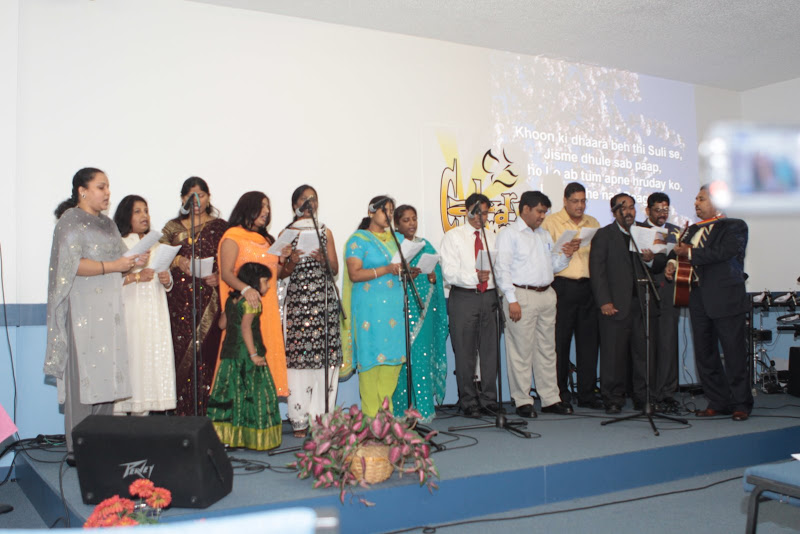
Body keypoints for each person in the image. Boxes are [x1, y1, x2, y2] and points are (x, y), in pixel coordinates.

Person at [44, 168, 148, 456]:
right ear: (83, 191)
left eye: (108, 187)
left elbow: (120, 261)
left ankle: (101, 444)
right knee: (83, 383)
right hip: (81, 312)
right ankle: (79, 449)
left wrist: (134, 261)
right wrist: (114, 266)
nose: (107, 193)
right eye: (101, 187)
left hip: (109, 311)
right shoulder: (70, 221)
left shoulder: (108, 225)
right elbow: (71, 264)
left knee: (108, 379)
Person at [666, 185, 752, 421]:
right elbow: (676, 253)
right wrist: (672, 263)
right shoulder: (692, 229)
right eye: (695, 198)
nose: (696, 203)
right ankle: (718, 401)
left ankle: (741, 403)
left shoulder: (734, 226)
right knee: (705, 353)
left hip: (726, 298)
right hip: (697, 297)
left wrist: (689, 253)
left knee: (733, 353)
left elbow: (724, 252)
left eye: (701, 199)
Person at [495, 191, 576, 418]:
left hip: (546, 294)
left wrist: (566, 255)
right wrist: (511, 299)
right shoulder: (509, 234)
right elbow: (502, 269)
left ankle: (550, 398)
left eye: (545, 212)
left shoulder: (543, 234)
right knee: (520, 351)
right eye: (539, 211)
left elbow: (553, 266)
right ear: (525, 209)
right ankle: (522, 400)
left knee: (547, 350)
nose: (542, 216)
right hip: (521, 295)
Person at [590, 193, 665, 414]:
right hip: (615, 304)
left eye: (632, 207)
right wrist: (604, 301)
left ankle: (644, 397)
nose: (629, 211)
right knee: (614, 355)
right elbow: (597, 271)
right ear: (614, 212)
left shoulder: (645, 231)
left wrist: (651, 259)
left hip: (643, 302)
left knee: (644, 354)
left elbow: (660, 261)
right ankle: (613, 398)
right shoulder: (604, 235)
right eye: (623, 208)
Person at [160, 177, 228, 416]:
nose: (197, 200)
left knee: (209, 354)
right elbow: (158, 254)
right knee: (181, 355)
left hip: (212, 301)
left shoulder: (221, 227)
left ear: (209, 198)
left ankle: (211, 414)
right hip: (179, 303)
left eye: (202, 195)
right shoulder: (172, 227)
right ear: (183, 199)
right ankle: (183, 414)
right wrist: (178, 260)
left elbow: (231, 259)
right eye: (191, 195)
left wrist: (220, 276)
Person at [280, 185, 342, 437]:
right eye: (304, 199)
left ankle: (321, 420)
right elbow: (279, 272)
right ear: (295, 204)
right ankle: (299, 420)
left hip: (324, 304)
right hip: (298, 306)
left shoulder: (325, 231)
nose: (309, 203)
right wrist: (291, 261)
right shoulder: (286, 233)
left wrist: (323, 260)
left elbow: (335, 269)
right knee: (298, 362)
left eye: (313, 199)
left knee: (324, 362)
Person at [218, 192, 290, 399]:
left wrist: (283, 259)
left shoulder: (267, 241)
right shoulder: (232, 236)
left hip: (268, 310)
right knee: (246, 356)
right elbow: (226, 273)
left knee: (266, 355)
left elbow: (274, 275)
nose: (266, 211)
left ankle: (261, 406)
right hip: (245, 307)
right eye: (262, 206)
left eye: (268, 207)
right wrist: (246, 290)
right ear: (248, 208)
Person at [341, 196, 405, 417]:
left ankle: (386, 417)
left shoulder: (397, 239)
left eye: (391, 210)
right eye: (384, 210)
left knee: (392, 361)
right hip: (369, 310)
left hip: (394, 309)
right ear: (371, 212)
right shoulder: (358, 240)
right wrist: (386, 269)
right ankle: (370, 418)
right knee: (371, 361)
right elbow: (354, 274)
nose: (389, 215)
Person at [112, 195, 177, 415]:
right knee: (132, 359)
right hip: (130, 310)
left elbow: (163, 276)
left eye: (146, 211)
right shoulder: (118, 242)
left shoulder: (156, 245)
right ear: (126, 215)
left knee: (150, 360)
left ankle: (143, 417)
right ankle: (120, 416)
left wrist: (167, 280)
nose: (144, 216)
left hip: (154, 311)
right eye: (137, 211)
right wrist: (136, 276)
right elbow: (110, 280)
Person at [207, 262, 282, 450]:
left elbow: (222, 325)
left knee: (230, 394)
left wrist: (230, 312)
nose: (268, 286)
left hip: (230, 354)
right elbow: (246, 328)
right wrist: (254, 354)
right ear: (254, 282)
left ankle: (227, 437)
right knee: (256, 394)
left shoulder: (232, 300)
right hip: (247, 356)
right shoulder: (252, 303)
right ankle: (254, 438)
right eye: (265, 281)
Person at [541, 182, 603, 409]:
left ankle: (587, 393)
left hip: (588, 288)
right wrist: (563, 251)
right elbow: (544, 255)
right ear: (565, 201)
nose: (580, 205)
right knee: (560, 342)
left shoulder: (593, 223)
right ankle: (560, 393)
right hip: (562, 286)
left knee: (589, 343)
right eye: (575, 201)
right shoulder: (551, 222)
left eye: (583, 201)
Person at [440, 193, 499, 417]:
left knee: (490, 351)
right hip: (464, 297)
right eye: (475, 212)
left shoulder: (492, 237)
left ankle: (489, 399)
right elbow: (449, 273)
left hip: (489, 297)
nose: (479, 217)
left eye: (484, 213)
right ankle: (469, 400)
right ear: (467, 211)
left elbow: (500, 269)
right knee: (465, 353)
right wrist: (475, 277)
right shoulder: (453, 237)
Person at [390, 205, 448, 423]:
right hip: (402, 312)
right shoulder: (393, 247)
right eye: (406, 220)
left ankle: (423, 410)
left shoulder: (425, 245)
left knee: (421, 358)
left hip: (424, 311)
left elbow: (435, 274)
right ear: (396, 224)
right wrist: (407, 276)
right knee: (403, 361)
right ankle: (400, 411)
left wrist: (432, 277)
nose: (412, 223)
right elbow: (388, 280)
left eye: (414, 219)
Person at [640, 192, 682, 413]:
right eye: (657, 210)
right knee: (648, 344)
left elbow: (681, 257)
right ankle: (648, 393)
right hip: (645, 292)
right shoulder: (638, 230)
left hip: (668, 293)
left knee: (668, 342)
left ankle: (667, 392)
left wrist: (673, 262)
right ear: (648, 210)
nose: (662, 214)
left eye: (665, 209)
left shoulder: (675, 232)